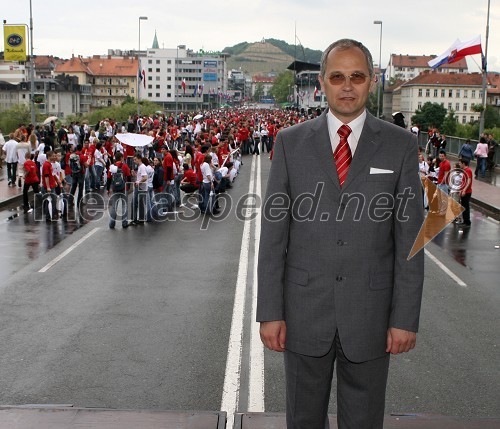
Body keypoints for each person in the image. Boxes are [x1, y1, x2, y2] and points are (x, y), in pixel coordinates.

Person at [257, 39, 424, 429]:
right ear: (322, 82)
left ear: (372, 82)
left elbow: (409, 244)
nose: (347, 86)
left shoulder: (400, 145)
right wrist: (270, 312)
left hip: (371, 314)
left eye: (357, 76)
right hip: (301, 314)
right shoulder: (289, 143)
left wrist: (405, 318)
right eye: (337, 77)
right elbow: (273, 236)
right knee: (302, 420)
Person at [458, 158, 473, 227]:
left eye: (460, 163)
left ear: (463, 163)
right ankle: (465, 221)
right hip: (463, 191)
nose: (459, 164)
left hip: (467, 192)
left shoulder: (468, 170)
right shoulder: (464, 170)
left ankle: (467, 222)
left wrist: (464, 190)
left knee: (465, 207)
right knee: (463, 206)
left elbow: (469, 181)